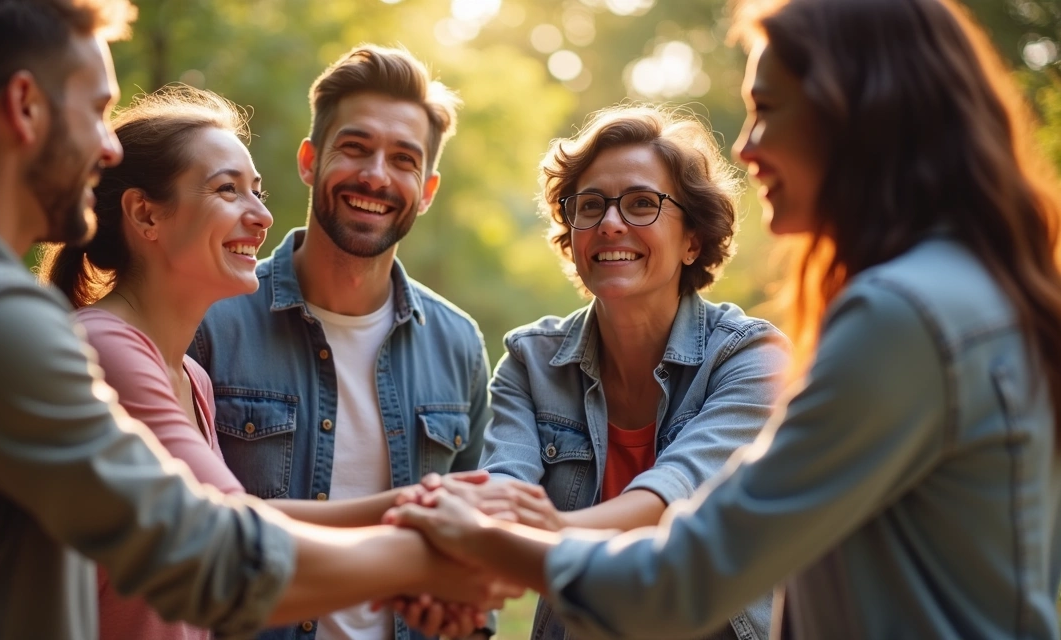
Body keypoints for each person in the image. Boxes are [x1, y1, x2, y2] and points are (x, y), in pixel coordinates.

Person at [386, 0, 1061, 637]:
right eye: (589, 207)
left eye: (765, 109)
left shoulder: (896, 320)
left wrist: (475, 543)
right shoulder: (965, 293)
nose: (747, 145)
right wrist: (476, 539)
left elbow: (684, 573)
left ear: (855, 109)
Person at [0, 2, 510, 638]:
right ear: (24, 107)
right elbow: (203, 549)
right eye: (99, 110)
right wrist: (445, 558)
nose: (110, 148)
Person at [41, 84, 493, 640]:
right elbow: (233, 537)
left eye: (257, 191)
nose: (261, 216)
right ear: (146, 215)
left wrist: (419, 511)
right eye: (228, 190)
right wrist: (425, 533)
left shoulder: (191, 378)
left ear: (427, 190)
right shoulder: (108, 350)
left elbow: (239, 518)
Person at [451, 104, 787, 640]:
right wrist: (470, 530)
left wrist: (548, 533)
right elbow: (501, 492)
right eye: (591, 206)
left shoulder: (751, 358)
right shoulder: (530, 362)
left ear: (692, 240)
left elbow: (673, 498)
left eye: (640, 204)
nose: (610, 224)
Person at [189, 45, 492, 640]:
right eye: (355, 148)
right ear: (309, 160)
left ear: (427, 189)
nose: (376, 175)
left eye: (403, 159)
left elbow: (469, 561)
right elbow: (177, 536)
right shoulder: (209, 318)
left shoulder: (458, 344)